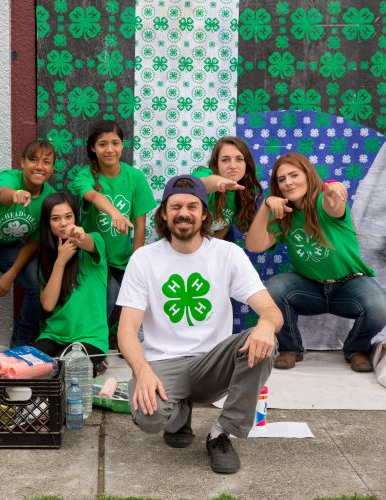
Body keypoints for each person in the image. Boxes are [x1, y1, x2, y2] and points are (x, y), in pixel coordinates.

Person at [117, 175, 283, 474]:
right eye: (176, 206)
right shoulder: (144, 259)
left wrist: (266, 325)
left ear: (204, 213)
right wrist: (142, 372)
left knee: (264, 342)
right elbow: (126, 330)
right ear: (164, 213)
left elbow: (271, 310)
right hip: (163, 361)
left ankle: (222, 432)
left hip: (212, 363)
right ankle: (179, 412)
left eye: (192, 206)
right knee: (148, 418)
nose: (184, 213)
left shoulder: (227, 254)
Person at [245, 152, 386, 372]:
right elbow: (254, 245)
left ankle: (356, 349)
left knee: (380, 306)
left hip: (348, 285)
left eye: (294, 175)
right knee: (273, 289)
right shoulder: (284, 216)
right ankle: (291, 348)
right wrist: (266, 207)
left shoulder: (324, 201)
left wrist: (334, 193)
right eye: (281, 179)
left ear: (308, 175)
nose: (288, 182)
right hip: (309, 287)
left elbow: (335, 207)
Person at [69, 120, 156, 327]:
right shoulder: (84, 176)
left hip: (123, 259)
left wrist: (136, 261)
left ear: (123, 145)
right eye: (102, 144)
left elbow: (140, 224)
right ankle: (92, 340)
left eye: (115, 143)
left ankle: (116, 339)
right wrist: (114, 213)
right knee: (107, 297)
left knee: (127, 304)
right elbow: (91, 196)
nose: (110, 149)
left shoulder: (135, 177)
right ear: (93, 148)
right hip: (93, 256)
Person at [0, 140, 56, 347]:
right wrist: (16, 195)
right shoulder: (9, 178)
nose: (39, 166)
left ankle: (19, 343)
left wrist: (10, 274)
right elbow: (2, 194)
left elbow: (34, 242)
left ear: (52, 168)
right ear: (22, 163)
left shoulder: (49, 198)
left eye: (46, 162)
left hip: (8, 245)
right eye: (33, 160)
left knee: (37, 285)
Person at [34, 193, 108, 374]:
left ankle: (97, 364)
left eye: (69, 216)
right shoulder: (48, 257)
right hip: (54, 335)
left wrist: (78, 235)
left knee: (57, 372)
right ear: (47, 224)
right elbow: (48, 304)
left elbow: (86, 241)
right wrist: (60, 261)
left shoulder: (94, 243)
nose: (64, 223)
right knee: (26, 367)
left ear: (76, 217)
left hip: (90, 338)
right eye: (55, 218)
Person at [193, 136, 262, 241]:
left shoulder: (242, 192)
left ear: (246, 164)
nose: (233, 166)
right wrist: (218, 182)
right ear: (216, 164)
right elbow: (200, 184)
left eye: (239, 159)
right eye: (225, 160)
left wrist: (207, 249)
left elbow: (226, 225)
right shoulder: (205, 174)